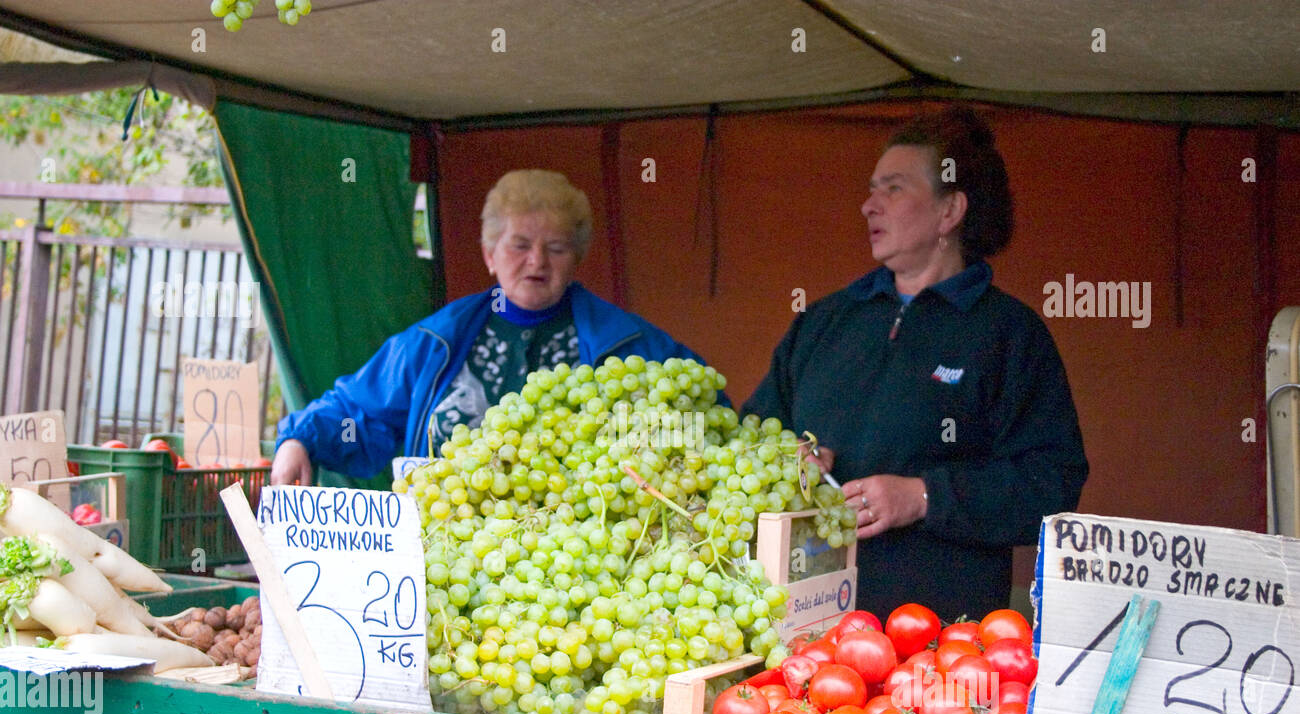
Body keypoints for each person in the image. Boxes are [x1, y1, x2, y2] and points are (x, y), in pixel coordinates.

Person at [742, 107, 1088, 622]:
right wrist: (782, 456)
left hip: (936, 645)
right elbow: (751, 430)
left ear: (950, 212)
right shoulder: (823, 321)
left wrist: (925, 497)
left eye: (893, 189)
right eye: (871, 189)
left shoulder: (1009, 334)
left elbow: (1052, 482)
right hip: (804, 631)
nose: (867, 206)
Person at [272, 169, 711, 485]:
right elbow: (358, 411)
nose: (537, 261)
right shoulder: (436, 342)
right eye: (520, 245)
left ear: (577, 258)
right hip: (446, 565)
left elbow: (702, 406)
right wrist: (298, 441)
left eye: (556, 247)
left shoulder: (628, 344)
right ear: (489, 254)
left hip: (581, 572)